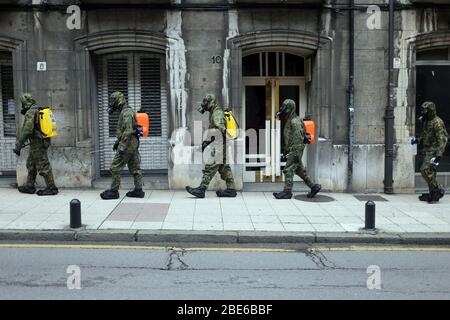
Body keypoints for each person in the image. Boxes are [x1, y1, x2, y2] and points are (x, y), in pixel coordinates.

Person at [186, 94, 237, 198]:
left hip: (219, 145)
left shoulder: (217, 112)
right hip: (220, 144)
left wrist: (226, 136)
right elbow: (212, 132)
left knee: (211, 165)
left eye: (206, 102)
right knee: (224, 167)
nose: (204, 104)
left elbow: (220, 127)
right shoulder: (213, 112)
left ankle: (201, 189)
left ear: (211, 102)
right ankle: (231, 189)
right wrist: (205, 144)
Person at [273, 99, 321, 199]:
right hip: (294, 149)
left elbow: (298, 137)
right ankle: (314, 186)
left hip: (296, 149)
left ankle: (287, 192)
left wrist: (293, 151)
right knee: (300, 170)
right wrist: (287, 149)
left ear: (290, 108)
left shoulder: (295, 121)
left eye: (284, 107)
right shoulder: (292, 118)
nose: (283, 109)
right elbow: (290, 136)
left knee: (288, 169)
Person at [100, 91, 144, 200]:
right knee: (135, 167)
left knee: (115, 167)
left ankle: (114, 191)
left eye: (113, 100)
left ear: (119, 100)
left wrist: (122, 146)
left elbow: (128, 131)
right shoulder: (125, 111)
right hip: (132, 144)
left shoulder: (126, 112)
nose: (112, 103)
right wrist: (117, 142)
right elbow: (127, 131)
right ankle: (138, 191)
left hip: (128, 145)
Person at [13, 93, 58, 196]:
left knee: (43, 164)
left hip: (38, 143)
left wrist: (19, 144)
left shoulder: (31, 112)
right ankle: (30, 186)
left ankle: (52, 188)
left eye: (22, 103)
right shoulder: (36, 109)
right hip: (39, 142)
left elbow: (27, 130)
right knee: (31, 164)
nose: (22, 105)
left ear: (25, 102)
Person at [412, 101, 448, 203]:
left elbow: (442, 140)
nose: (423, 112)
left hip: (434, 150)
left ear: (430, 111)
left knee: (425, 170)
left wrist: (439, 155)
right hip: (427, 150)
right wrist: (418, 140)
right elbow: (425, 134)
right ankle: (433, 193)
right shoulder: (427, 121)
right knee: (431, 172)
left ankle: (438, 189)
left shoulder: (438, 122)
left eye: (425, 110)